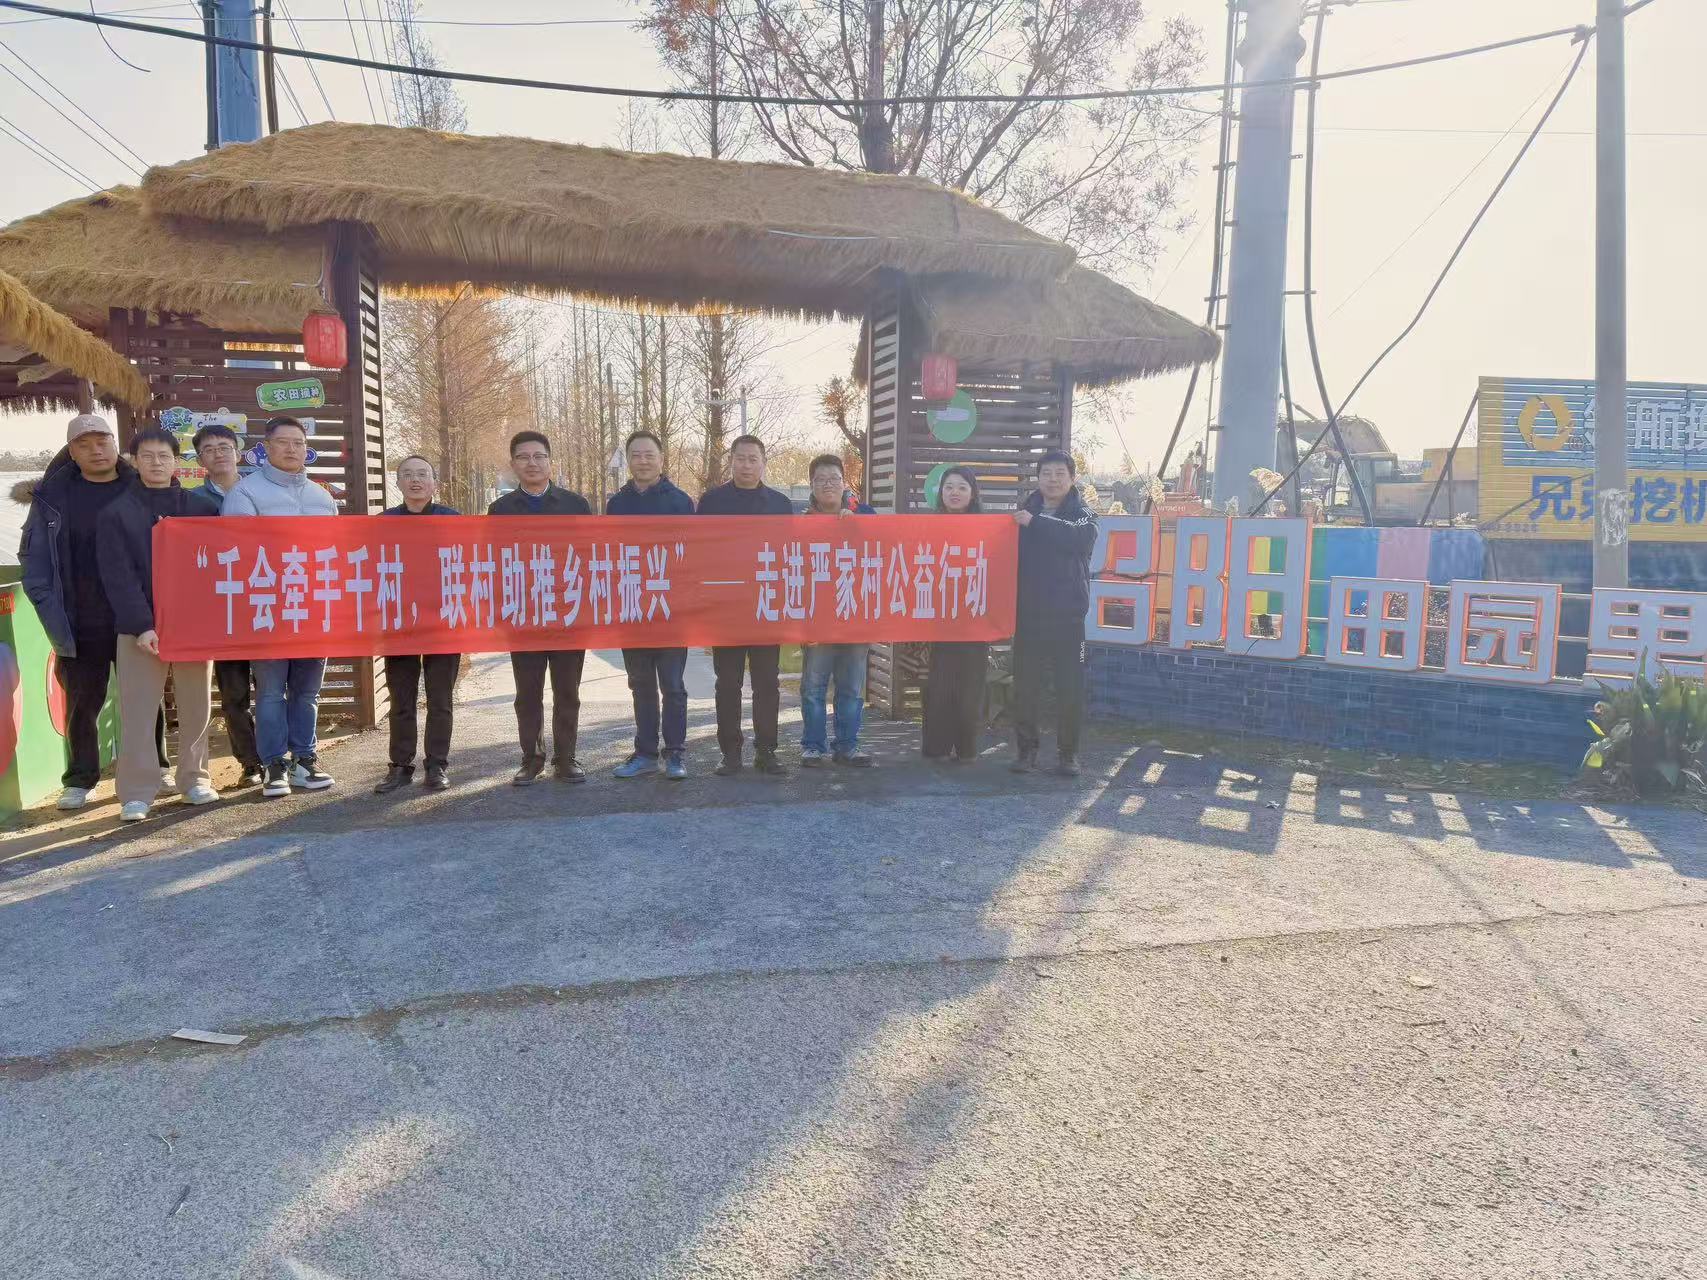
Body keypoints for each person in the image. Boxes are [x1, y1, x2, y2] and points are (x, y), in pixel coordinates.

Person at [97, 428, 221, 822]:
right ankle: (137, 791)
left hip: (192, 626)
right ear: (134, 461)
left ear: (176, 462)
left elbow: (214, 570)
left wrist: (204, 619)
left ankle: (195, 779)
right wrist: (141, 625)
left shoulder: (201, 508)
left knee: (196, 704)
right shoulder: (115, 513)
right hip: (139, 628)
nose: (156, 463)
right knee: (137, 709)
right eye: (147, 456)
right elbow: (117, 576)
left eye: (164, 456)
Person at [19, 414, 137, 810]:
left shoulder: (140, 488)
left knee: (143, 698)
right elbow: (33, 561)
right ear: (71, 452)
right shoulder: (51, 497)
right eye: (83, 444)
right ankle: (80, 779)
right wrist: (48, 609)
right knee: (82, 704)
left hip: (135, 617)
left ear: (115, 444)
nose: (95, 450)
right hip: (78, 618)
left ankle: (154, 766)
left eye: (102, 441)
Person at [222, 416, 339, 798]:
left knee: (307, 692)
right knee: (271, 692)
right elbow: (236, 553)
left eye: (298, 443)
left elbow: (335, 552)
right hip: (267, 609)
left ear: (307, 449)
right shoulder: (245, 493)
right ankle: (274, 764)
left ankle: (305, 760)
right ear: (266, 448)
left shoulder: (322, 497)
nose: (291, 449)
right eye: (283, 442)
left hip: (312, 608)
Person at [488, 430, 592, 786]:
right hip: (524, 615)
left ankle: (566, 758)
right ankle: (531, 759)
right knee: (527, 693)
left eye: (538, 456)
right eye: (523, 457)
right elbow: (494, 563)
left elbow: (589, 558)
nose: (531, 463)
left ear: (550, 461)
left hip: (568, 614)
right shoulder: (500, 510)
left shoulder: (576, 505)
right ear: (513, 464)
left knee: (567, 692)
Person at [696, 434, 794, 777]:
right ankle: (730, 753)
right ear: (731, 461)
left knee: (767, 683)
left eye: (753, 459)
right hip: (727, 608)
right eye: (740, 458)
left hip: (765, 605)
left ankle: (767, 751)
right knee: (728, 684)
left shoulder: (780, 504)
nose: (747, 465)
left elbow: (790, 554)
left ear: (763, 463)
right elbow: (700, 552)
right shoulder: (712, 502)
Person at [606, 431, 695, 781]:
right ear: (628, 460)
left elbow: (692, 555)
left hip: (671, 609)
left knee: (672, 686)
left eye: (649, 454)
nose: (642, 461)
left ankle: (675, 754)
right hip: (633, 608)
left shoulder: (680, 502)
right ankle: (645, 753)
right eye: (636, 455)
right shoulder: (617, 504)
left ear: (661, 458)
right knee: (641, 685)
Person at [374, 455, 460, 795]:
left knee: (440, 699)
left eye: (422, 474)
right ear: (397, 483)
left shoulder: (451, 520)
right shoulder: (384, 522)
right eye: (407, 474)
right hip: (400, 622)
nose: (415, 480)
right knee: (401, 698)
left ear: (434, 482)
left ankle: (437, 765)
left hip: (442, 621)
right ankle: (400, 765)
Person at [186, 422, 263, 787]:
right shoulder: (191, 503)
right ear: (200, 459)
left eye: (224, 447)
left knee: (273, 688)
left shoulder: (261, 491)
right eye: (209, 449)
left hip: (263, 599)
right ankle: (250, 763)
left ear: (238, 452)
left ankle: (278, 755)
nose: (218, 454)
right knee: (234, 693)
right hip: (221, 607)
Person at [1011, 449, 1097, 777]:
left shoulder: (1083, 514)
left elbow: (1079, 539)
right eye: (1046, 473)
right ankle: (1026, 751)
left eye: (1060, 473)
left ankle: (1068, 754)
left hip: (1068, 618)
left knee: (1069, 688)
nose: (1053, 479)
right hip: (1028, 616)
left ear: (1072, 478)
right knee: (1026, 688)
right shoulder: (1023, 512)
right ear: (1038, 478)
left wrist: (1036, 522)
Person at [798, 453, 875, 768]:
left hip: (856, 615)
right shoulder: (801, 522)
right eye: (821, 480)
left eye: (834, 478)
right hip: (818, 618)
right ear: (812, 485)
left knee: (852, 688)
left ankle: (847, 746)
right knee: (813, 687)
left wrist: (857, 525)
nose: (828, 484)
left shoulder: (864, 514)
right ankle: (813, 747)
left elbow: (886, 546)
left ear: (845, 483)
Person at [922, 466, 988, 763]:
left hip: (975, 617)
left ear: (972, 493)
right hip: (939, 616)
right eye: (949, 487)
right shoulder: (929, 526)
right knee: (939, 685)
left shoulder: (989, 527)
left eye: (962, 487)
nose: (955, 493)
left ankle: (966, 747)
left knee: (970, 687)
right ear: (941, 493)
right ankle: (937, 746)